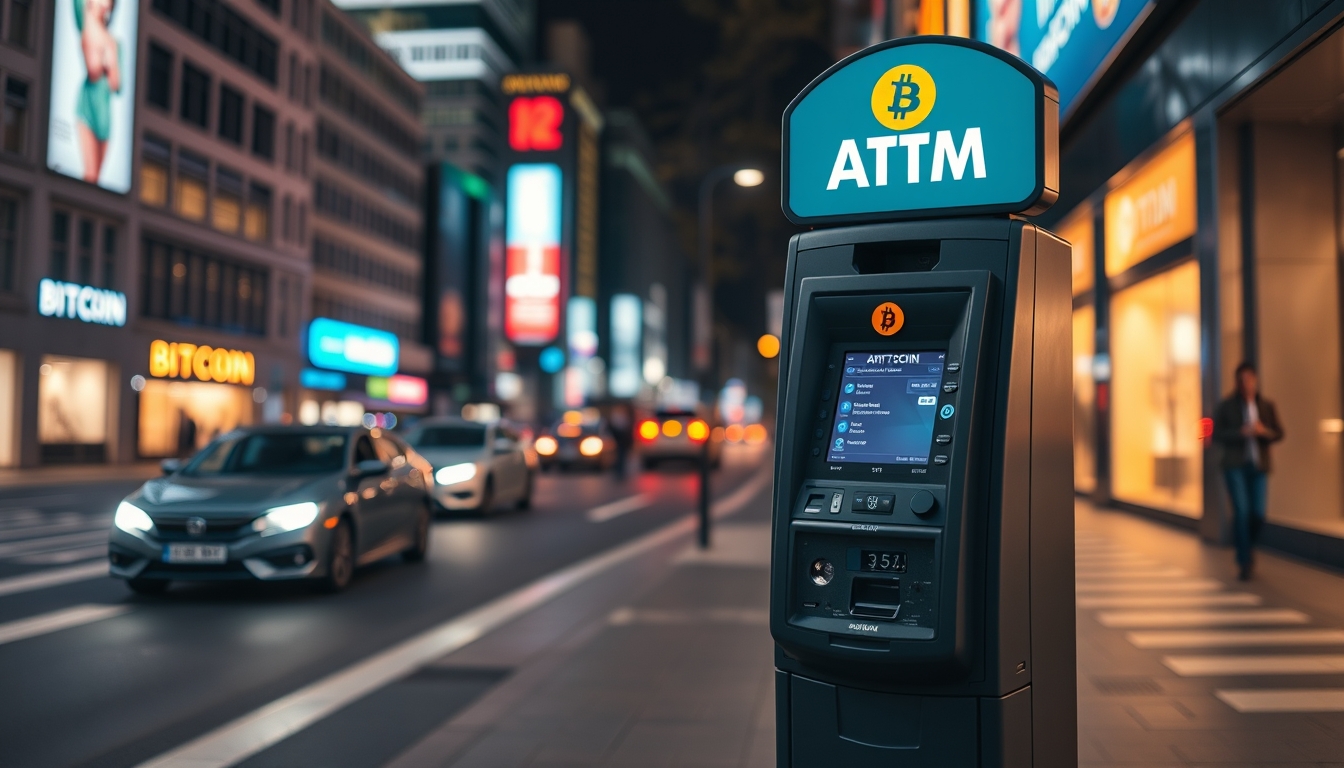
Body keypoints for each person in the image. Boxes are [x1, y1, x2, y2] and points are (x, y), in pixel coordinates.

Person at [1212, 362, 1284, 580]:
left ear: (1256, 380)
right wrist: (1240, 433)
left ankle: (1248, 547)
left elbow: (1279, 433)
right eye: (1242, 380)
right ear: (1237, 382)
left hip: (1259, 465)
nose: (1246, 384)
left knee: (1258, 513)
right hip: (1235, 465)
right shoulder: (1227, 406)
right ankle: (1244, 560)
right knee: (1241, 512)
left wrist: (1264, 432)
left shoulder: (1266, 405)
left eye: (1250, 379)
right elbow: (1217, 434)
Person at [75, 0, 121, 184]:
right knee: (90, 175)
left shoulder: (112, 42)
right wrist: (106, 62)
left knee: (96, 183)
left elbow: (116, 84)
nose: (104, 4)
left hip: (105, 115)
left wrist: (110, 62)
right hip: (87, 107)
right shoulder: (86, 27)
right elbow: (93, 71)